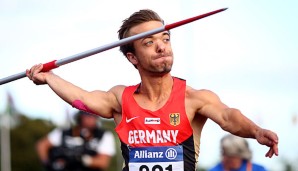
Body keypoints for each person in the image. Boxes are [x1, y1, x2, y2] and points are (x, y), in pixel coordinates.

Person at [27, 9, 278, 171]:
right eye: (149, 42)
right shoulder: (120, 98)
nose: (161, 47)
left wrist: (256, 131)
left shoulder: (193, 98)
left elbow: (227, 116)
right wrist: (49, 77)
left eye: (165, 38)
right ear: (132, 58)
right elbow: (82, 99)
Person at [36, 110, 116, 171]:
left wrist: (82, 159)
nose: (91, 118)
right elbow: (41, 145)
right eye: (87, 115)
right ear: (80, 116)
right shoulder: (64, 132)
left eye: (94, 115)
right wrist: (48, 163)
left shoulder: (104, 135)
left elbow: (103, 162)